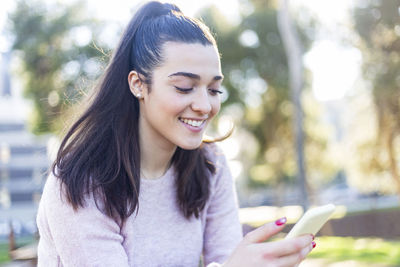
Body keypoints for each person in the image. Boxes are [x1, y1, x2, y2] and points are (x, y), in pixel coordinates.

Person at [36, 1, 315, 266]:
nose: (205, 106)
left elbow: (226, 257)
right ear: (138, 85)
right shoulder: (79, 183)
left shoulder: (211, 168)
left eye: (214, 90)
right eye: (184, 87)